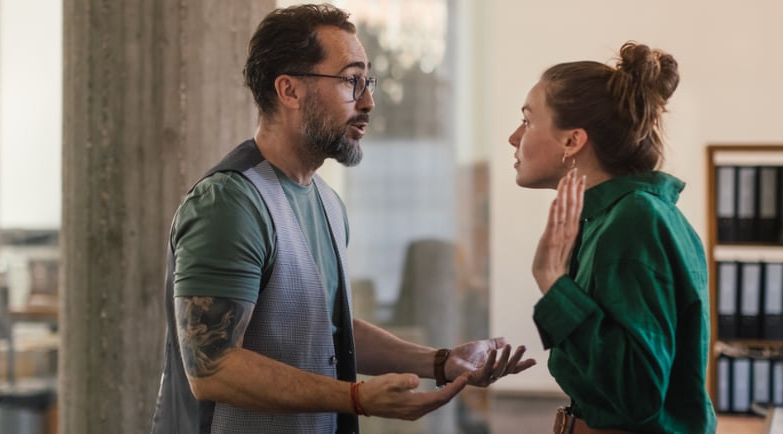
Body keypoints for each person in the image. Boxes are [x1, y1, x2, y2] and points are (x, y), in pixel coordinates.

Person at [152, 4, 535, 433]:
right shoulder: (229, 203)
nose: (368, 101)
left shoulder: (328, 202)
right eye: (352, 81)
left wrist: (441, 362)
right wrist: (356, 397)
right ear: (289, 91)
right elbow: (212, 368)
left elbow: (326, 331)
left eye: (367, 82)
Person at [508, 41, 716, 434]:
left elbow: (636, 394)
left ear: (572, 141)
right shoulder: (611, 219)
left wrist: (553, 283)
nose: (514, 137)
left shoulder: (635, 221)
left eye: (528, 121)